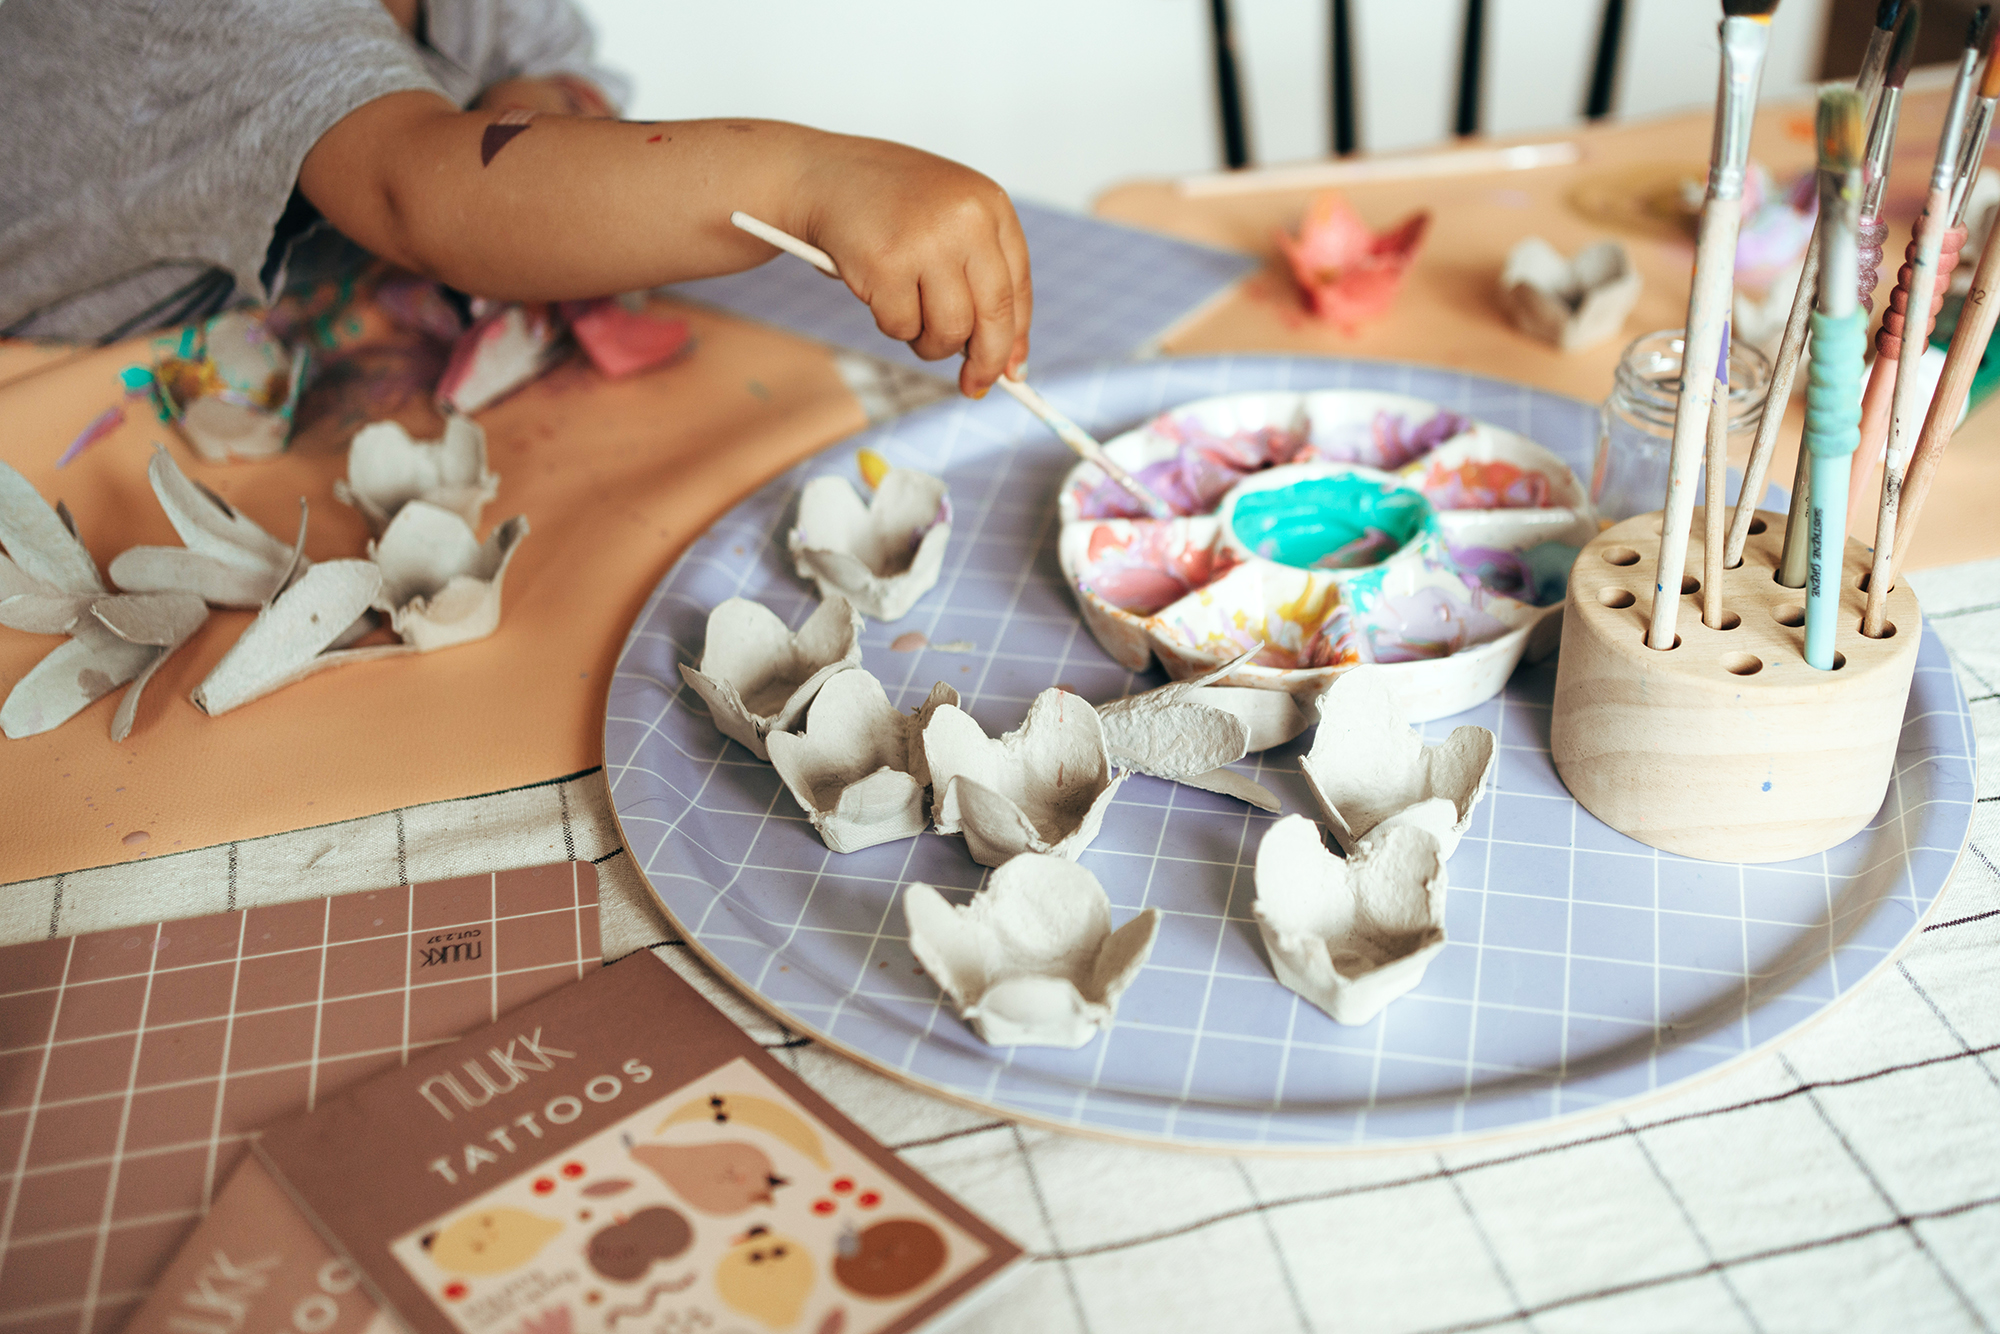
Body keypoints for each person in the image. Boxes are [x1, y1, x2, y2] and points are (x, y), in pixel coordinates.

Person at [0, 0, 1032, 398]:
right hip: (67, 419)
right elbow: (427, 196)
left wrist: (533, 124)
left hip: (298, 372)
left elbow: (552, 89)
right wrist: (801, 179)